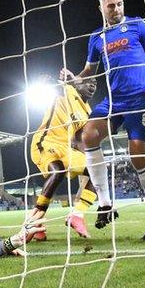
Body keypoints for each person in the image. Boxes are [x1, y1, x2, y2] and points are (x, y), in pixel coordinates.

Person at [61, 0, 145, 241]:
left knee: (137, 158)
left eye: (119, 4)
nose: (116, 9)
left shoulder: (138, 25)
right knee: (87, 136)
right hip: (114, 99)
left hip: (140, 97)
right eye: (110, 5)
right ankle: (104, 203)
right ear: (101, 7)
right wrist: (73, 79)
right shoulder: (97, 37)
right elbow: (88, 72)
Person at [27, 76, 98, 240]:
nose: (92, 85)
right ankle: (33, 222)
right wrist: (61, 80)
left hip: (67, 148)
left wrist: (88, 158)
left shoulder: (88, 112)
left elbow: (79, 141)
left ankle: (77, 215)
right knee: (57, 171)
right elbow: (49, 83)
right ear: (78, 83)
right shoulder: (67, 90)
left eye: (95, 83)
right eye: (88, 82)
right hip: (45, 141)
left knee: (98, 169)